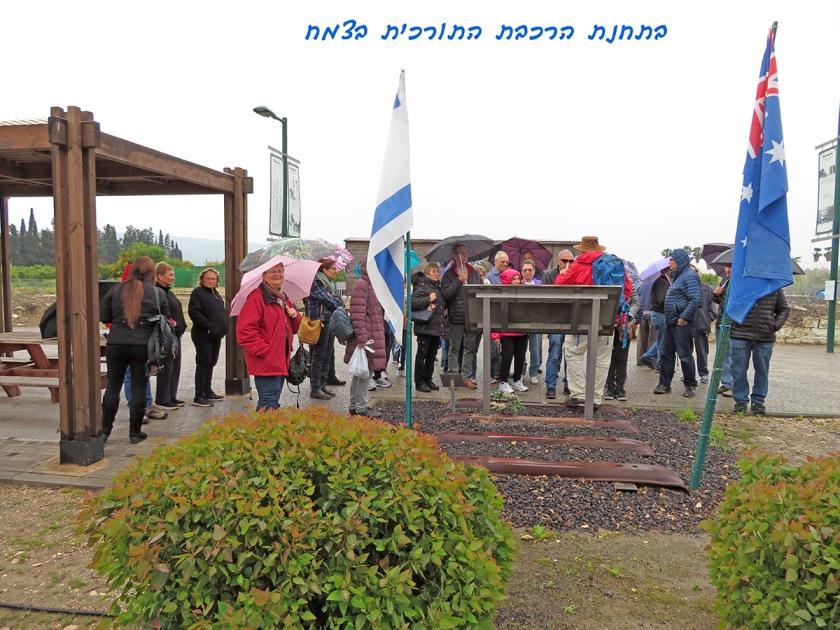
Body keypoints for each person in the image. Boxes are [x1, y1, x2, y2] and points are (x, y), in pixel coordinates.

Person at [100, 256, 170, 444]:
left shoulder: (115, 289)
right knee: (139, 386)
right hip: (142, 346)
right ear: (152, 272)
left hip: (116, 344)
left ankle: (105, 431)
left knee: (113, 386)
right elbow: (166, 319)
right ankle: (134, 432)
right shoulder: (157, 293)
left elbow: (104, 316)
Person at [554, 237, 632, 407]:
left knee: (573, 353)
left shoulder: (578, 265)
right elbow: (627, 290)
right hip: (607, 320)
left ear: (582, 250)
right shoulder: (613, 264)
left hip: (580, 320)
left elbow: (559, 286)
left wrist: (562, 274)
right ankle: (595, 397)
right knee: (602, 359)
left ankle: (579, 394)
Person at [236, 261, 301, 410]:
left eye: (280, 270)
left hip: (280, 360)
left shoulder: (283, 298)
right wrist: (265, 351)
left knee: (272, 402)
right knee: (268, 403)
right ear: (264, 276)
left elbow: (293, 329)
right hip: (267, 361)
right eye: (273, 271)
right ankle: (263, 426)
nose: (277, 274)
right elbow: (245, 331)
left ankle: (267, 425)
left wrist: (295, 316)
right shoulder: (257, 298)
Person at [729, 289, 790, 414]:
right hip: (740, 334)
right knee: (738, 370)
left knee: (762, 371)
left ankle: (758, 401)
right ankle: (740, 400)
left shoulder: (774, 287)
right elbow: (727, 305)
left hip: (765, 336)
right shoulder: (741, 285)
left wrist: (774, 325)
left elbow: (784, 309)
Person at [654, 249, 701, 398]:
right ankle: (664, 384)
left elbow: (696, 300)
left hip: (681, 323)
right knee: (666, 355)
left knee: (685, 355)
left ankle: (690, 385)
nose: (669, 262)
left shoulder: (690, 276)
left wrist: (684, 318)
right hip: (671, 322)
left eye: (672, 259)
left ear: (679, 261)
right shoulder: (678, 277)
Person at [344, 258, 386, 418]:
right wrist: (362, 339)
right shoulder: (362, 286)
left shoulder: (370, 285)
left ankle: (354, 406)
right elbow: (357, 315)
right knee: (365, 373)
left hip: (369, 337)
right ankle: (361, 408)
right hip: (367, 339)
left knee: (360, 372)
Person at [440, 242, 483, 389]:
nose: (465, 255)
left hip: (472, 316)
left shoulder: (473, 272)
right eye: (461, 253)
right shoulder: (449, 274)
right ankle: (453, 378)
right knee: (454, 348)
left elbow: (481, 290)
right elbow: (446, 294)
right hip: (456, 317)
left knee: (469, 348)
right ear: (454, 256)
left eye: (466, 252)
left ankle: (466, 377)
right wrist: (459, 281)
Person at [188, 268, 229, 407]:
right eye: (208, 278)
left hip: (216, 335)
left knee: (212, 362)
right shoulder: (198, 293)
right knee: (204, 363)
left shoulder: (215, 294)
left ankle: (207, 390)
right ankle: (199, 395)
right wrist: (209, 326)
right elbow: (194, 313)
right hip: (203, 335)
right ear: (202, 279)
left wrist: (225, 326)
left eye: (213, 279)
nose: (211, 281)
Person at [306, 258, 344, 401]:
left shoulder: (328, 284)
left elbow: (335, 301)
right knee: (319, 355)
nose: (336, 271)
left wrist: (335, 299)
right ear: (325, 270)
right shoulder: (317, 282)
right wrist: (336, 299)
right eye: (333, 269)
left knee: (327, 355)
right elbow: (331, 302)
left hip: (329, 321)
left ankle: (322, 384)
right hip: (320, 322)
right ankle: (315, 387)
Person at [604, 268, 641, 402]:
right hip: (608, 325)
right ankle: (610, 387)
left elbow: (636, 302)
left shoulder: (628, 283)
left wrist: (629, 315)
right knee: (608, 357)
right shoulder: (605, 283)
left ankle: (620, 388)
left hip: (624, 327)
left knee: (622, 357)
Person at [153, 262, 187, 410]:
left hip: (175, 334)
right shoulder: (157, 292)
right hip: (166, 336)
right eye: (171, 275)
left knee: (175, 367)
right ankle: (163, 399)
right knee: (166, 368)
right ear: (160, 276)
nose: (174, 278)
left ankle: (171, 395)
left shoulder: (168, 291)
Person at [542, 250, 575, 399]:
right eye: (565, 260)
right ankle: (550, 385)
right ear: (558, 261)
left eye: (571, 261)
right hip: (555, 319)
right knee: (554, 353)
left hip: (571, 319)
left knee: (570, 354)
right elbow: (545, 297)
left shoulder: (576, 274)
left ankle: (569, 384)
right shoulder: (549, 275)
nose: (568, 264)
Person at [411, 263, 446, 392]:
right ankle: (419, 382)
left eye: (437, 271)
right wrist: (428, 299)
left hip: (435, 327)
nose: (437, 273)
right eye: (433, 271)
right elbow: (412, 303)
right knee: (422, 355)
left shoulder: (437, 287)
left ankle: (428, 379)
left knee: (432, 355)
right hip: (424, 327)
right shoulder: (422, 286)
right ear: (427, 274)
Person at [493, 269, 529, 395]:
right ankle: (503, 382)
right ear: (507, 280)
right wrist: (495, 335)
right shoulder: (500, 294)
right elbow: (494, 315)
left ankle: (517, 380)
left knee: (520, 357)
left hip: (522, 331)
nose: (517, 281)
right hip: (506, 332)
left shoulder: (523, 293)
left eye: (518, 278)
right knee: (507, 357)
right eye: (514, 279)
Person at [639, 267, 671, 371]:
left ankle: (648, 357)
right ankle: (659, 363)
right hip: (660, 314)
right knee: (662, 340)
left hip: (655, 313)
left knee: (662, 339)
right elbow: (662, 300)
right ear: (667, 270)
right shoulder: (662, 282)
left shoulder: (663, 282)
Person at [690, 264, 717, 384]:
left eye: (693, 272)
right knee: (686, 352)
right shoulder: (683, 287)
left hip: (702, 324)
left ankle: (703, 373)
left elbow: (712, 308)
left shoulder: (707, 288)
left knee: (702, 352)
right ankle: (688, 374)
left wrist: (708, 319)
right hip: (687, 324)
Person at [713, 263, 734, 396]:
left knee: (732, 354)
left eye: (730, 267)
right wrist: (716, 294)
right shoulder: (724, 281)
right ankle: (726, 382)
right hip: (720, 321)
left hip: (732, 324)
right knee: (722, 354)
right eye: (726, 267)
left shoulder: (739, 282)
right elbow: (720, 302)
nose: (727, 270)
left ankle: (733, 385)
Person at [520, 259, 543, 385]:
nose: (527, 272)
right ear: (521, 272)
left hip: (536, 321)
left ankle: (533, 373)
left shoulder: (540, 284)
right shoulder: (518, 284)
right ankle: (521, 372)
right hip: (521, 321)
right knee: (521, 350)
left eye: (530, 270)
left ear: (534, 271)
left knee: (535, 349)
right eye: (525, 270)